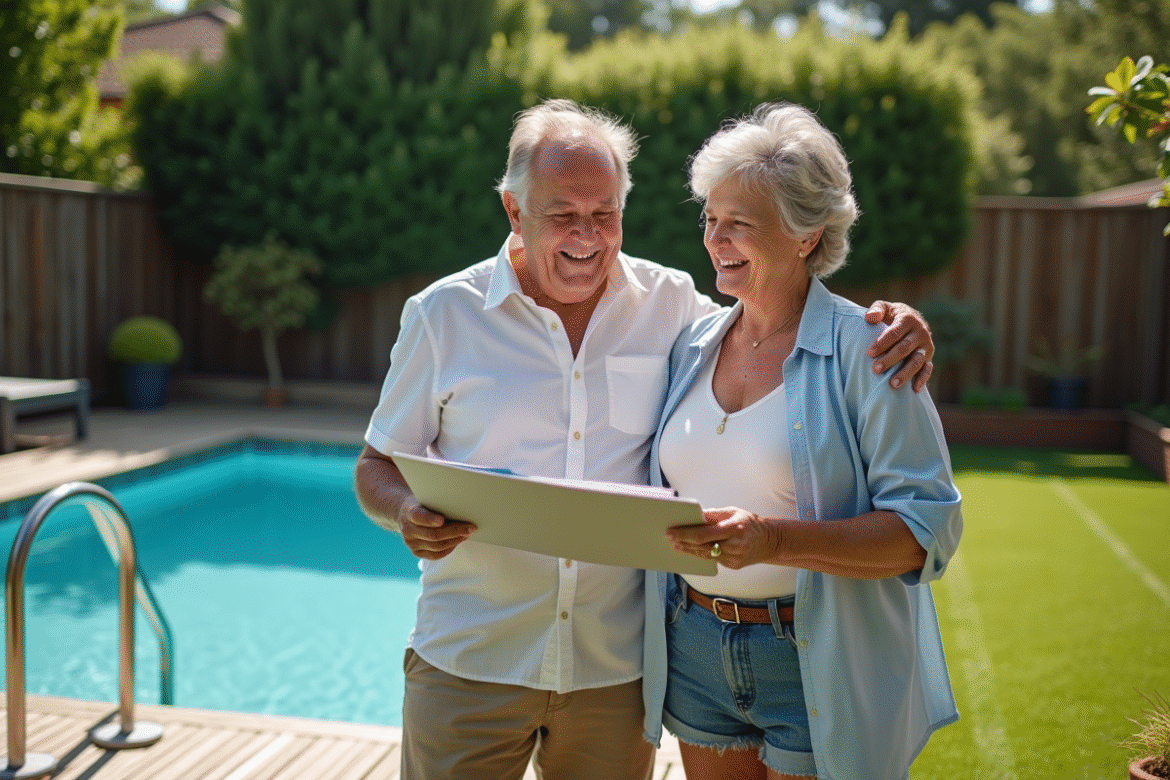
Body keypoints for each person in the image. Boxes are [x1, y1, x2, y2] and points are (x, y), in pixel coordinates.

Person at [353, 98, 936, 780]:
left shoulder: (677, 309)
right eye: (563, 215)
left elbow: (783, 317)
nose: (587, 235)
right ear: (515, 211)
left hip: (615, 672)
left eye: (604, 215)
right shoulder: (441, 315)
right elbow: (376, 464)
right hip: (471, 658)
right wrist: (403, 512)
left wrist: (897, 321)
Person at [641, 102, 963, 780]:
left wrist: (776, 539)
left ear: (807, 236)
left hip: (817, 655)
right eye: (710, 219)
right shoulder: (692, 343)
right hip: (694, 644)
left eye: (740, 225)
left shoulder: (873, 352)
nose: (715, 239)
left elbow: (926, 532)